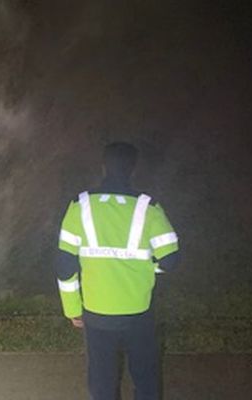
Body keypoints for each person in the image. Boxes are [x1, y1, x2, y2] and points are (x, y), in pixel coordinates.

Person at [55, 142, 180, 400]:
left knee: (102, 381)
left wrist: (72, 310)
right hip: (138, 312)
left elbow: (65, 265)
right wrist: (148, 270)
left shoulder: (80, 206)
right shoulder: (149, 208)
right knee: (145, 378)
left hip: (96, 313)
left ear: (103, 166)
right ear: (133, 169)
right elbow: (171, 260)